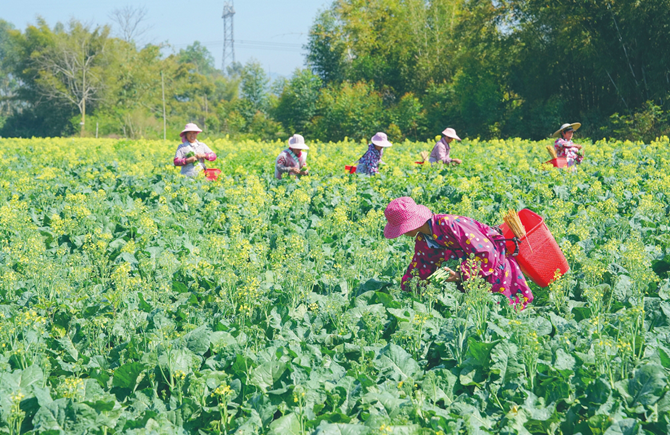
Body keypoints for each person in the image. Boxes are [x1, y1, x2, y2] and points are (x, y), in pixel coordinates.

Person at [383, 197, 534, 309]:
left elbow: (486, 252)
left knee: (508, 309)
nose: (401, 234)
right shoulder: (425, 239)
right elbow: (421, 265)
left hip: (495, 268)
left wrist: (460, 275)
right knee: (482, 312)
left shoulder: (449, 224)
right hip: (476, 277)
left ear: (410, 226)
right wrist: (407, 290)